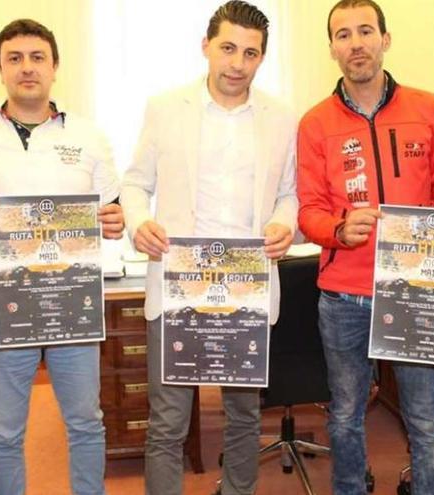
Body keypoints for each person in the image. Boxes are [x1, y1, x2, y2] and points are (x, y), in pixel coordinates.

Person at [0, 19, 123, 495]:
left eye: (37, 57)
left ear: (55, 67)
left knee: (86, 422)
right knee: (3, 432)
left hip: (73, 305)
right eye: (14, 58)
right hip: (0, 309)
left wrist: (114, 221)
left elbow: (112, 210)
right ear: (1, 68)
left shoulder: (89, 136)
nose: (27, 68)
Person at [121, 2, 297, 493]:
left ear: (262, 58)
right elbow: (134, 183)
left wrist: (285, 221)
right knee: (168, 421)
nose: (237, 63)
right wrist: (139, 221)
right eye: (228, 48)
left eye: (250, 53)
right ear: (206, 47)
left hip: (247, 286)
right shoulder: (164, 107)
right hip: (178, 285)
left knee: (244, 415)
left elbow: (289, 191)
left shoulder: (282, 118)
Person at [296, 1, 434, 493]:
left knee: (426, 421)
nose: (356, 43)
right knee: (345, 415)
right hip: (344, 295)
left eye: (365, 31)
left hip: (414, 291)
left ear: (385, 39)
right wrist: (339, 229)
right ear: (331, 48)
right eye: (343, 35)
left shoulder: (428, 108)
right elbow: (308, 211)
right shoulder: (314, 123)